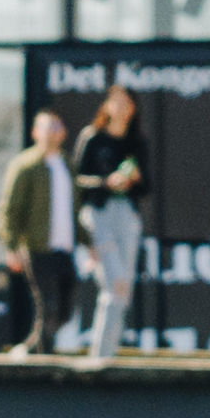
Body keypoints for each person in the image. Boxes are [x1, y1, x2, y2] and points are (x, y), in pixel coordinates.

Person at [71, 82, 155, 361]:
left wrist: (133, 180)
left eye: (127, 103)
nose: (121, 108)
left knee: (124, 291)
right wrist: (107, 182)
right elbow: (78, 180)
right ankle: (99, 357)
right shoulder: (93, 138)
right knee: (114, 283)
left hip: (126, 216)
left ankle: (108, 353)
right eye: (116, 102)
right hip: (98, 214)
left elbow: (145, 189)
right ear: (107, 106)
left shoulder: (136, 141)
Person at [2, 109, 81, 358]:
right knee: (47, 305)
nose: (51, 132)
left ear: (63, 132)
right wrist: (12, 246)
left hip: (64, 247)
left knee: (65, 309)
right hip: (37, 247)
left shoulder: (66, 164)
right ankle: (44, 362)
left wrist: (87, 242)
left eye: (55, 127)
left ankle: (27, 348)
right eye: (46, 127)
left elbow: (74, 207)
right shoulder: (26, 165)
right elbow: (10, 208)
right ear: (35, 132)